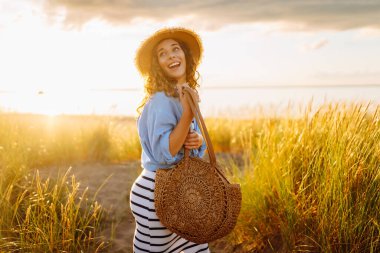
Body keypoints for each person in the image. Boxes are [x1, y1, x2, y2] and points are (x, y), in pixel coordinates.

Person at [130, 27, 210, 252]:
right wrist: (187, 115)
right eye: (162, 53)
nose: (171, 55)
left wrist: (196, 140)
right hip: (155, 196)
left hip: (183, 191)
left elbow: (190, 146)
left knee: (199, 249)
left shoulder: (183, 95)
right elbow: (165, 153)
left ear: (185, 55)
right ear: (157, 65)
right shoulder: (160, 101)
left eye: (175, 49)